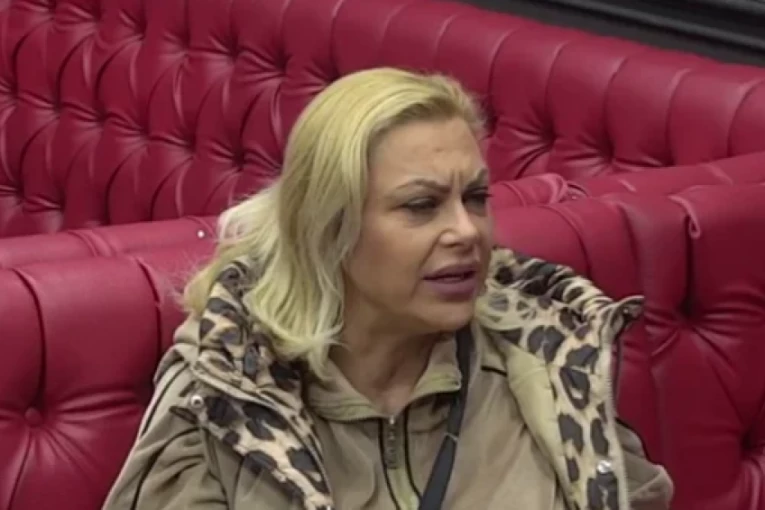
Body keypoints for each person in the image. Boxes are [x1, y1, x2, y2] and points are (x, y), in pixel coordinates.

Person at [103, 67, 673, 510]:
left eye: (476, 198)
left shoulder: (547, 363)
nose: (467, 231)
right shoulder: (223, 398)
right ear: (330, 227)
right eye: (422, 205)